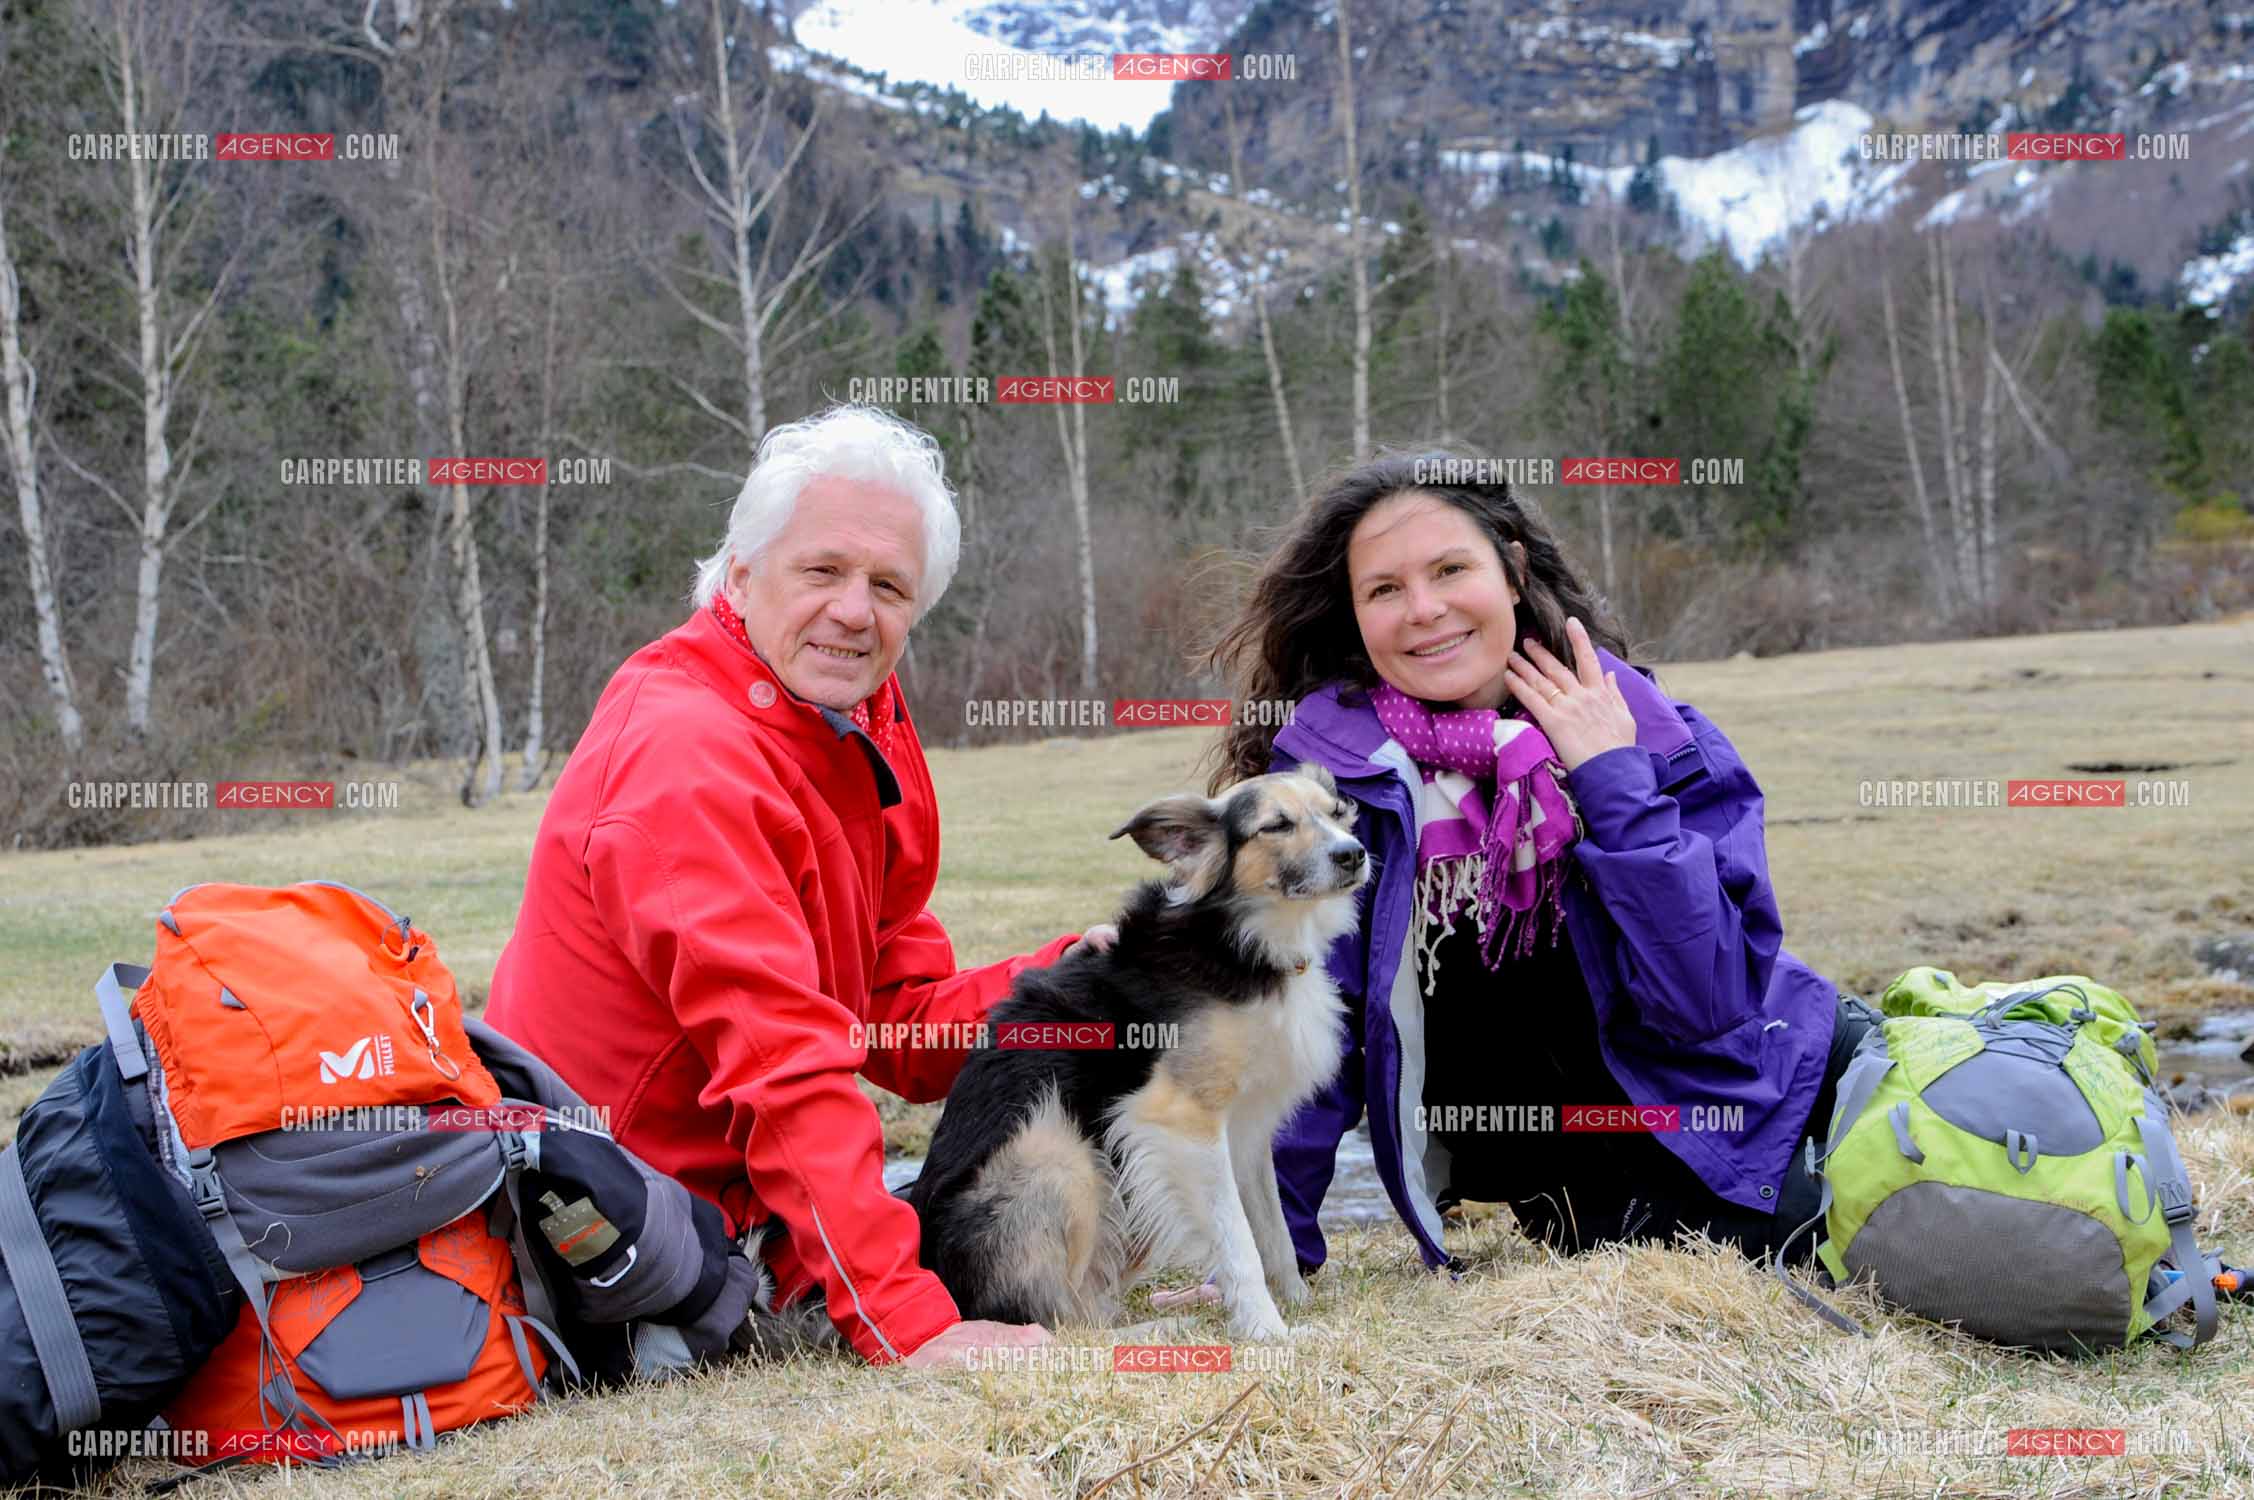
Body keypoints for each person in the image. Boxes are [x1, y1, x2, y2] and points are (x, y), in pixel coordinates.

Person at [487, 404, 1097, 1368]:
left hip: (750, 1209)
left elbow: (891, 1016)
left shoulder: (847, 722)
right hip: (639, 1237)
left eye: (889, 586)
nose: (855, 611)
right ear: (739, 575)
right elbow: (787, 1072)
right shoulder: (686, 753)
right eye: (823, 571)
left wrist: (1067, 984)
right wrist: (913, 1326)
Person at [1203, 453, 1875, 1282]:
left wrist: (1613, 780)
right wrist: (1276, 1255)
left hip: (1772, 1074)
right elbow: (1304, 1024)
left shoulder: (1652, 734)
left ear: (1513, 571)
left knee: (1979, 1172)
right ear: (1353, 614)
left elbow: (1711, 1001)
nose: (1424, 610)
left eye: (1452, 569)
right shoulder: (1335, 789)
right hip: (1592, 1167)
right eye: (1384, 589)